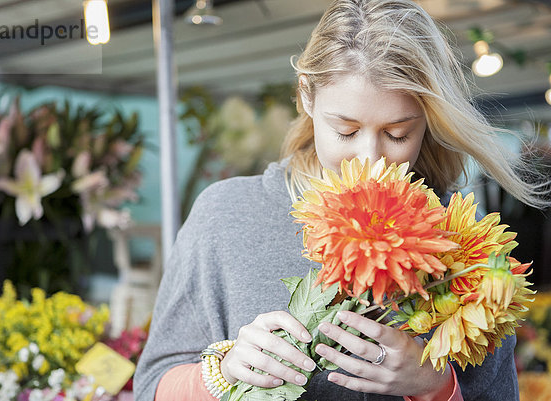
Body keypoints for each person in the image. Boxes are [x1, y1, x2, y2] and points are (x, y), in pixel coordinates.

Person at [134, 0, 547, 400]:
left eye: (398, 133)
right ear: (307, 97)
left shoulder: (464, 248)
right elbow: (151, 386)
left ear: (430, 119)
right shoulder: (225, 214)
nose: (370, 158)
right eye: (346, 131)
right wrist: (224, 373)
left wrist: (433, 387)